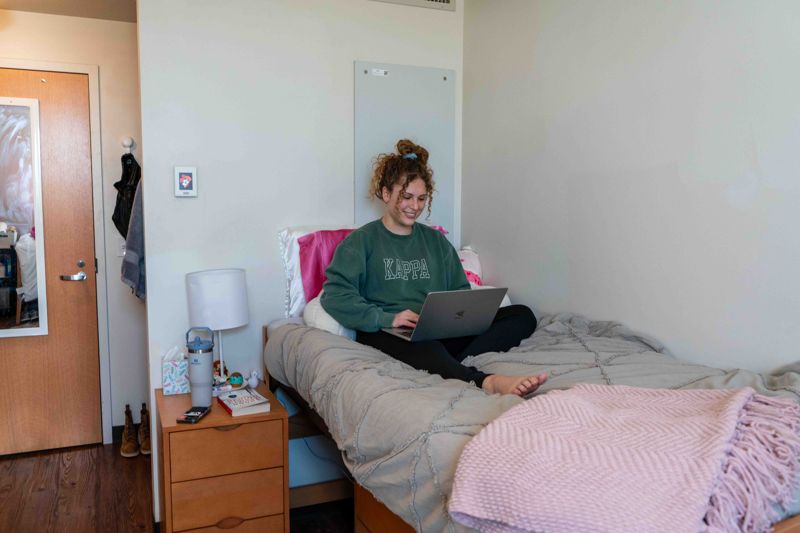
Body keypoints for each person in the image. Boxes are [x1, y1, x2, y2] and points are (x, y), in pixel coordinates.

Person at [321, 139, 547, 396]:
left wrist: (463, 318)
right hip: (390, 332)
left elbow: (460, 290)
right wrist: (387, 318)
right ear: (386, 194)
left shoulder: (435, 241)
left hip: (438, 330)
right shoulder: (361, 242)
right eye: (406, 197)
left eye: (421, 198)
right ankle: (484, 380)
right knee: (424, 348)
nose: (415, 206)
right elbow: (335, 296)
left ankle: (448, 361)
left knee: (522, 315)